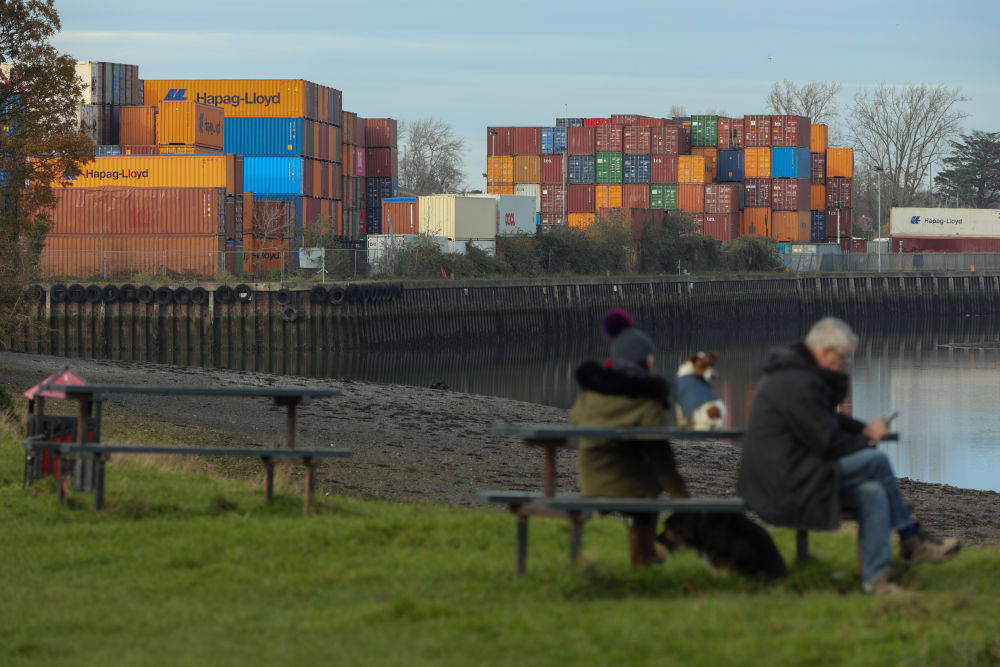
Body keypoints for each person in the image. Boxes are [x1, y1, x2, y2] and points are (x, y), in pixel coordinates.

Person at [737, 317, 961, 594]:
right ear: (825, 352)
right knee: (876, 462)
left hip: (790, 473)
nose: (844, 366)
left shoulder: (797, 373)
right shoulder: (798, 382)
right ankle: (911, 540)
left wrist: (863, 429)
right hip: (780, 483)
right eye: (843, 359)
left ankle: (877, 580)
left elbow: (826, 419)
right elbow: (829, 443)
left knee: (873, 494)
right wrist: (867, 439)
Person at [570, 328, 688, 566]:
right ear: (646, 360)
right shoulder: (648, 400)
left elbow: (575, 422)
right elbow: (661, 457)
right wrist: (682, 499)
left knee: (641, 482)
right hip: (628, 488)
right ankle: (643, 556)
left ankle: (645, 554)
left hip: (590, 482)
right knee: (651, 489)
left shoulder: (590, 394)